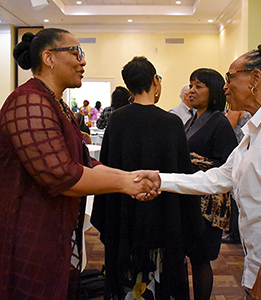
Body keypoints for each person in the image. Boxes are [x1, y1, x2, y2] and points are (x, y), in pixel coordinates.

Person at [0, 28, 158, 300]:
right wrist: (125, 183)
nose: (83, 62)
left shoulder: (55, 104)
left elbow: (85, 161)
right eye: (76, 53)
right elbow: (61, 174)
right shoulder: (28, 101)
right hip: (27, 230)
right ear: (49, 58)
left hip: (54, 228)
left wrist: (131, 176)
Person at [139, 41, 261, 300]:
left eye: (230, 77)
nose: (225, 86)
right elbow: (218, 177)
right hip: (259, 263)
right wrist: (160, 179)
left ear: (255, 79)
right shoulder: (255, 130)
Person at [91, 56, 204, 300]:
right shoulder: (171, 123)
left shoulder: (117, 120)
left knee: (126, 281)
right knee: (162, 283)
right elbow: (183, 173)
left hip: (124, 214)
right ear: (155, 81)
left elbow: (107, 167)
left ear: (129, 87)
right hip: (165, 216)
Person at [184, 68, 238, 300]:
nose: (191, 90)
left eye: (198, 86)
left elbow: (226, 165)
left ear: (213, 90)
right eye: (191, 85)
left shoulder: (220, 122)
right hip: (189, 198)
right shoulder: (191, 120)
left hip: (208, 204)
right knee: (191, 255)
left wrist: (193, 161)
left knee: (201, 257)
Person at [222, 109, 251, 244]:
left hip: (238, 154)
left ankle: (235, 234)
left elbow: (226, 131)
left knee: (235, 193)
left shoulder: (236, 110)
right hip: (242, 153)